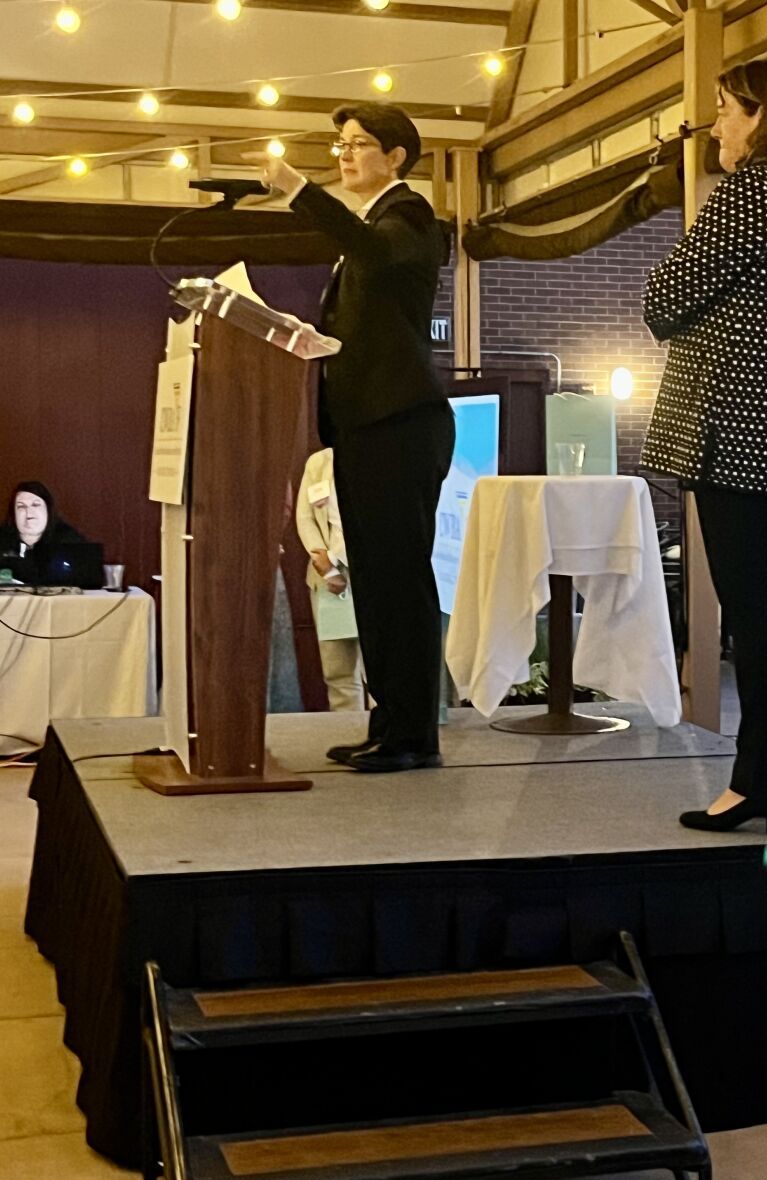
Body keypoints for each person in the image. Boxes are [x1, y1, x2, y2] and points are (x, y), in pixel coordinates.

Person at [639, 58, 767, 836]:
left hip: (731, 425)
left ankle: (757, 784)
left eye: (725, 109)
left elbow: (662, 299)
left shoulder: (751, 194)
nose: (715, 125)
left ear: (763, 116)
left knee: (752, 608)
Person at [248, 103, 454, 773]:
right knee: (374, 578)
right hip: (367, 425)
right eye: (339, 144)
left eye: (359, 144)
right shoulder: (370, 225)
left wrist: (298, 191)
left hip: (402, 424)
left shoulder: (411, 217)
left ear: (396, 156)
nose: (344, 154)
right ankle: (387, 720)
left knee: (400, 580)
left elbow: (379, 254)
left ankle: (414, 734)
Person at [295, 447, 365, 712]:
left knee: (382, 672)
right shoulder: (319, 461)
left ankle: (385, 738)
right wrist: (326, 567)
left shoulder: (384, 457)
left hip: (372, 574)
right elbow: (305, 517)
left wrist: (335, 560)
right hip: (326, 579)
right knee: (338, 671)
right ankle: (348, 731)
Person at [0, 481, 89, 585]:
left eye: (35, 505)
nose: (29, 513)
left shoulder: (70, 540)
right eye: (21, 507)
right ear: (13, 514)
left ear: (48, 510)